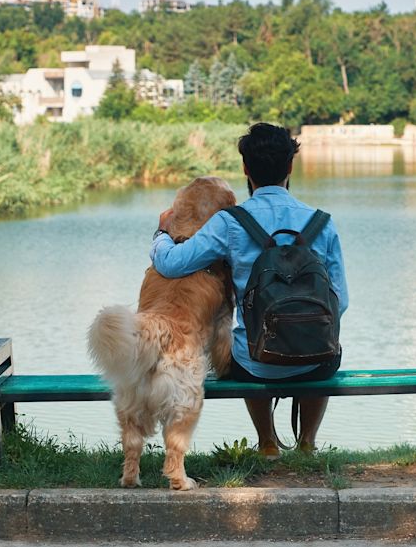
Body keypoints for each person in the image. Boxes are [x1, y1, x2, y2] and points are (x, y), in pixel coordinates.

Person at [150, 122, 349, 456]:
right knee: (328, 348)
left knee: (242, 345)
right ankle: (307, 444)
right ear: (290, 166)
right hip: (317, 361)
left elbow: (172, 263)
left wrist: (161, 233)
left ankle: (267, 442)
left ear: (245, 167)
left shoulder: (231, 222)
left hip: (255, 360)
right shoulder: (322, 222)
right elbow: (340, 301)